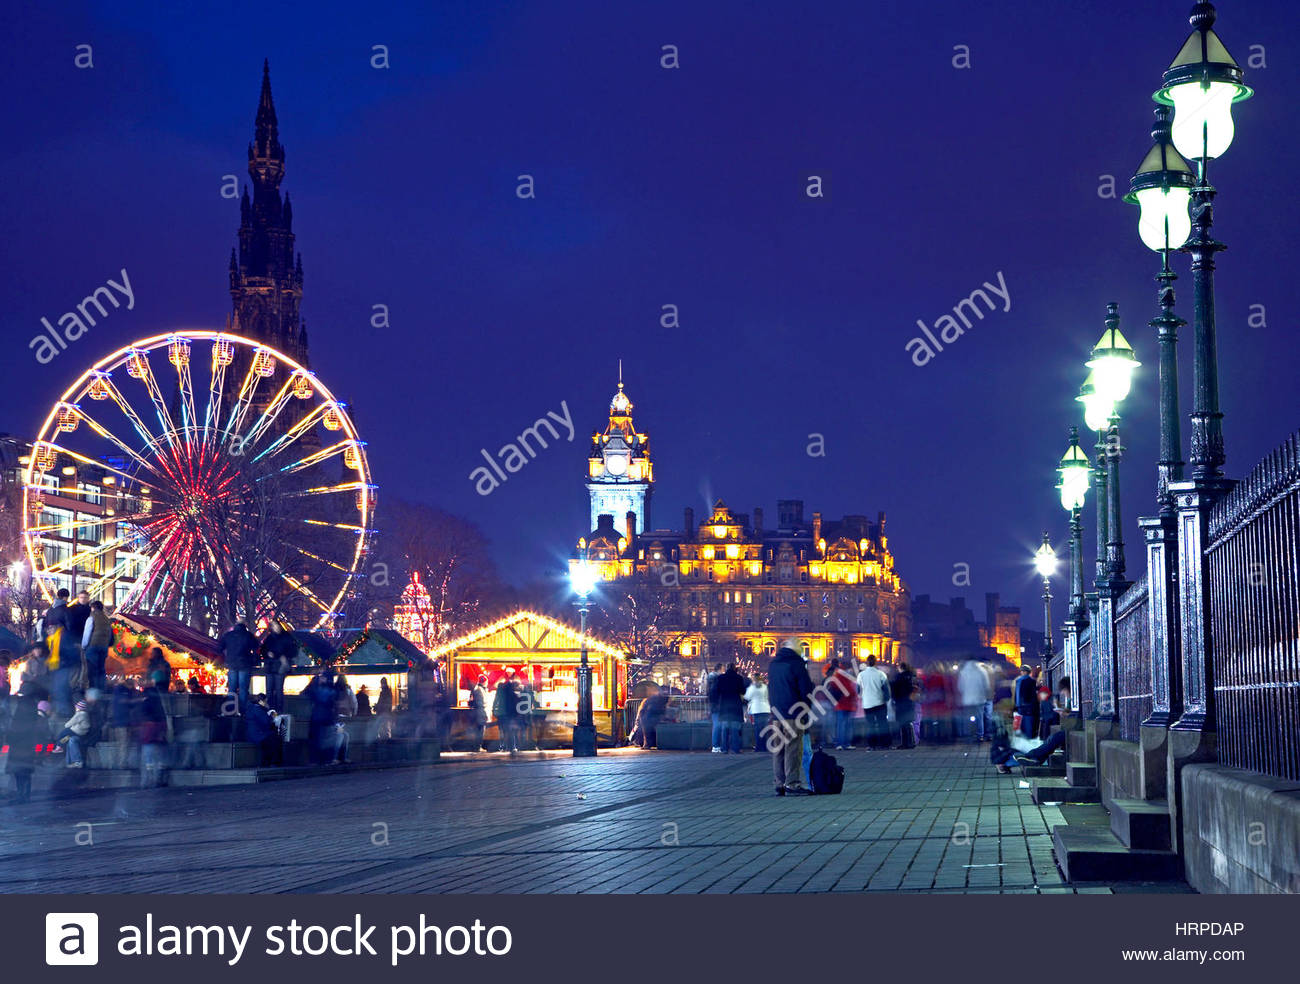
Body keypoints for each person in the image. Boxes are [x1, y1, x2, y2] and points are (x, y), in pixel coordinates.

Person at [767, 639, 814, 796]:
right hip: (793, 713)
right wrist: (806, 710)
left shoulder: (773, 664)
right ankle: (792, 783)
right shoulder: (797, 664)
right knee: (793, 748)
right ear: (796, 649)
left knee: (778, 750)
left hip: (776, 714)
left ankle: (779, 783)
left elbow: (771, 688)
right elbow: (806, 690)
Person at [3, 691, 46, 802]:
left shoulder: (22, 717)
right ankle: (23, 795)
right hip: (24, 749)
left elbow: (15, 732)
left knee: (21, 773)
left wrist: (10, 737)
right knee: (22, 773)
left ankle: (23, 795)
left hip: (21, 749)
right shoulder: (31, 716)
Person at [302, 663, 342, 765]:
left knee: (316, 739)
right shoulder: (332, 689)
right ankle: (326, 759)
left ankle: (316, 760)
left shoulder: (318, 688)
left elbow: (306, 694)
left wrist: (314, 681)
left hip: (318, 716)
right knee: (327, 740)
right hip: (327, 717)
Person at [136, 673, 169, 787]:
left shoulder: (146, 697)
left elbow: (142, 712)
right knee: (159, 759)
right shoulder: (158, 697)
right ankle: (158, 779)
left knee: (147, 760)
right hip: (158, 731)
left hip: (149, 733)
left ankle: (148, 781)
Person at [218, 621, 258, 714]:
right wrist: (253, 660)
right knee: (243, 689)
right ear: (245, 626)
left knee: (232, 688)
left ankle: (231, 710)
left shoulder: (228, 635)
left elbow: (220, 647)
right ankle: (242, 711)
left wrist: (226, 658)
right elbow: (256, 647)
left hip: (232, 664)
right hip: (244, 664)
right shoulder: (248, 635)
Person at [259, 621, 295, 713]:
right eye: (274, 626)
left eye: (277, 626)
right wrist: (268, 653)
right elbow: (263, 650)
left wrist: (277, 655)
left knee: (278, 691)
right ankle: (271, 710)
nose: (276, 628)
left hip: (278, 666)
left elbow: (292, 651)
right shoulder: (270, 638)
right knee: (270, 690)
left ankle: (278, 710)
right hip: (271, 666)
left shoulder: (284, 637)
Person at [857, 655, 891, 749]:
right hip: (880, 702)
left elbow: (858, 689)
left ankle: (872, 745)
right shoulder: (881, 674)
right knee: (882, 723)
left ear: (867, 662)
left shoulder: (861, 675)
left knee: (870, 725)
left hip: (867, 703)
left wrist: (862, 696)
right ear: (875, 662)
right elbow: (886, 689)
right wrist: (886, 699)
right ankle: (885, 744)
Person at [80, 600, 112, 693]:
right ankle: (101, 690)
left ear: (93, 608)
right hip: (104, 647)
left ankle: (93, 691)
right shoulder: (107, 619)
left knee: (92, 670)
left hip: (93, 646)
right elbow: (110, 634)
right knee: (101, 669)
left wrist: (83, 646)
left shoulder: (91, 618)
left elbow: (87, 632)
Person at [714, 662, 747, 753]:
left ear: (727, 668)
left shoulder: (721, 678)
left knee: (724, 729)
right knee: (735, 729)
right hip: (735, 706)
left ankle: (724, 748)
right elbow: (743, 691)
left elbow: (717, 690)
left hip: (724, 706)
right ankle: (735, 748)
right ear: (734, 668)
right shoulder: (739, 678)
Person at [958, 657, 991, 743]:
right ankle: (980, 735)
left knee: (968, 718)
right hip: (979, 699)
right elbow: (986, 686)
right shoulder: (982, 671)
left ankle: (969, 735)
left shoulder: (963, 672)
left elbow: (960, 687)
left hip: (967, 700)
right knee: (979, 718)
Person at [243, 696, 280, 766]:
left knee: (271, 737)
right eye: (265, 701)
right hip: (258, 735)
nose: (266, 703)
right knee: (275, 738)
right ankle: (273, 762)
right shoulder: (258, 709)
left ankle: (268, 762)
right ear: (260, 701)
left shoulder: (251, 708)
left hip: (251, 734)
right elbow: (266, 722)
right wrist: (271, 715)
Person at [55, 698, 92, 768]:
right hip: (80, 733)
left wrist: (66, 724)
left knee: (63, 733)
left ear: (79, 708)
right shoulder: (84, 714)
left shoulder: (80, 714)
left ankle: (59, 746)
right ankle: (60, 747)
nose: (75, 708)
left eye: (76, 707)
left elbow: (68, 724)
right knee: (67, 738)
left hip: (78, 733)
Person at [830, 659, 858, 749]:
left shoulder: (838, 674)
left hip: (842, 704)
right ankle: (843, 743)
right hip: (844, 703)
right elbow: (848, 689)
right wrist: (853, 694)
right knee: (844, 725)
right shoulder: (843, 675)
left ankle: (841, 744)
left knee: (842, 724)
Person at [891, 661, 917, 748]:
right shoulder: (912, 676)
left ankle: (905, 743)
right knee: (909, 723)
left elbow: (894, 690)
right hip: (910, 702)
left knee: (902, 723)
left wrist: (894, 700)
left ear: (901, 668)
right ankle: (912, 742)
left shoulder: (899, 677)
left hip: (901, 702)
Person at [492, 671, 520, 753]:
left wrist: (494, 710)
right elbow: (516, 702)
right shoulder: (512, 692)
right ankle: (512, 746)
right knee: (511, 730)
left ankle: (503, 746)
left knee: (502, 730)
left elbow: (496, 701)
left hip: (501, 713)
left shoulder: (500, 690)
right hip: (510, 713)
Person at [743, 673, 770, 752]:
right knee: (764, 728)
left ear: (754, 679)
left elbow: (747, 697)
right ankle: (764, 747)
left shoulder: (752, 687)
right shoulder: (765, 687)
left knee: (758, 729)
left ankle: (758, 747)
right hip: (765, 709)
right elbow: (767, 696)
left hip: (757, 709)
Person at [1012, 664, 1038, 738]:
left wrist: (1016, 704)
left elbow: (1017, 694)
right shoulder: (1031, 681)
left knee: (1022, 724)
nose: (1022, 672)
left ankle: (1024, 739)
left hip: (1021, 705)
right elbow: (1033, 695)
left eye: (1023, 671)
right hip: (1027, 706)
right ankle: (1028, 738)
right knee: (1028, 724)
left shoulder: (1018, 681)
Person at [706, 662, 724, 753]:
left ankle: (716, 745)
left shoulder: (710, 679)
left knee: (717, 725)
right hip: (718, 705)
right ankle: (717, 745)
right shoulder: (717, 680)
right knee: (718, 725)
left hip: (713, 704)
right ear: (720, 669)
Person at [469, 674, 489, 752]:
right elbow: (482, 703)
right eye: (487, 682)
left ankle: (477, 746)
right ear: (484, 682)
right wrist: (485, 713)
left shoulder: (477, 689)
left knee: (479, 730)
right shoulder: (480, 690)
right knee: (480, 730)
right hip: (480, 712)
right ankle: (478, 747)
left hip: (478, 712)